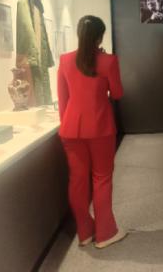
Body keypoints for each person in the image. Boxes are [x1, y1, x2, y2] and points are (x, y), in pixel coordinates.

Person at [57, 15, 127, 249]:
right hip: (100, 128)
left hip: (71, 130)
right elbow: (117, 94)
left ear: (79, 34)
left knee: (77, 180)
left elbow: (63, 99)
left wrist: (67, 125)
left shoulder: (65, 60)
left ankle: (85, 231)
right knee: (102, 178)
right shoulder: (108, 61)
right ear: (100, 37)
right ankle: (106, 233)